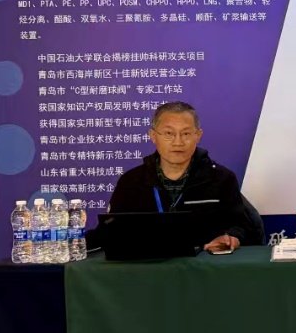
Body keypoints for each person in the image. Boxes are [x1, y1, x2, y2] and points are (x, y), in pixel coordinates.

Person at [94, 101, 264, 252]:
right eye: (169, 133)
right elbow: (110, 231)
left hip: (205, 267)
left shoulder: (221, 178)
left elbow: (242, 226)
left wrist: (231, 237)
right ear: (153, 136)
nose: (178, 142)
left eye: (186, 134)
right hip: (146, 268)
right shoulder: (131, 181)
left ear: (198, 136)